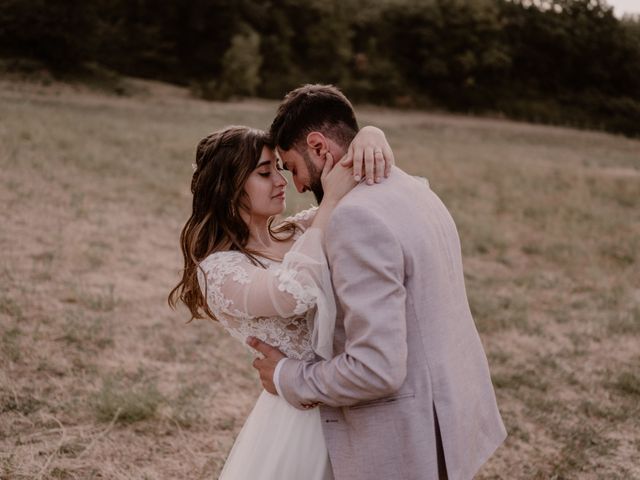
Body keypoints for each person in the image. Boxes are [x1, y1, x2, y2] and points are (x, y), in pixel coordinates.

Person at [249, 84, 507, 480]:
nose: (297, 186)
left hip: (407, 440)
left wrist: (287, 376)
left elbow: (376, 368)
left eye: (293, 167)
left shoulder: (354, 220)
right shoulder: (412, 186)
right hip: (451, 414)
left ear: (319, 147)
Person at [168, 124, 395, 479]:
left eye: (279, 168)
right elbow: (294, 293)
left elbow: (365, 196)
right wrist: (330, 200)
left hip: (359, 393)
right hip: (303, 421)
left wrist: (370, 134)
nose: (280, 181)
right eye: (264, 172)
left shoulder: (300, 230)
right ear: (228, 187)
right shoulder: (219, 270)